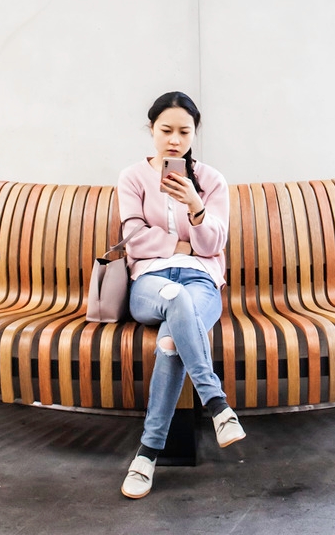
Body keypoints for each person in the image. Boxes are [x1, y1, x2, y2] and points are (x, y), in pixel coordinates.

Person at [117, 90, 245, 500]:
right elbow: (133, 239)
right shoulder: (133, 178)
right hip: (151, 285)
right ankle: (218, 405)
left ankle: (147, 454)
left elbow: (212, 245)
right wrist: (181, 243)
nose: (174, 139)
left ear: (194, 133)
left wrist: (195, 204)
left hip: (201, 281)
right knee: (175, 299)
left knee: (171, 340)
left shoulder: (210, 181)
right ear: (151, 130)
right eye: (166, 130)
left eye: (183, 131)